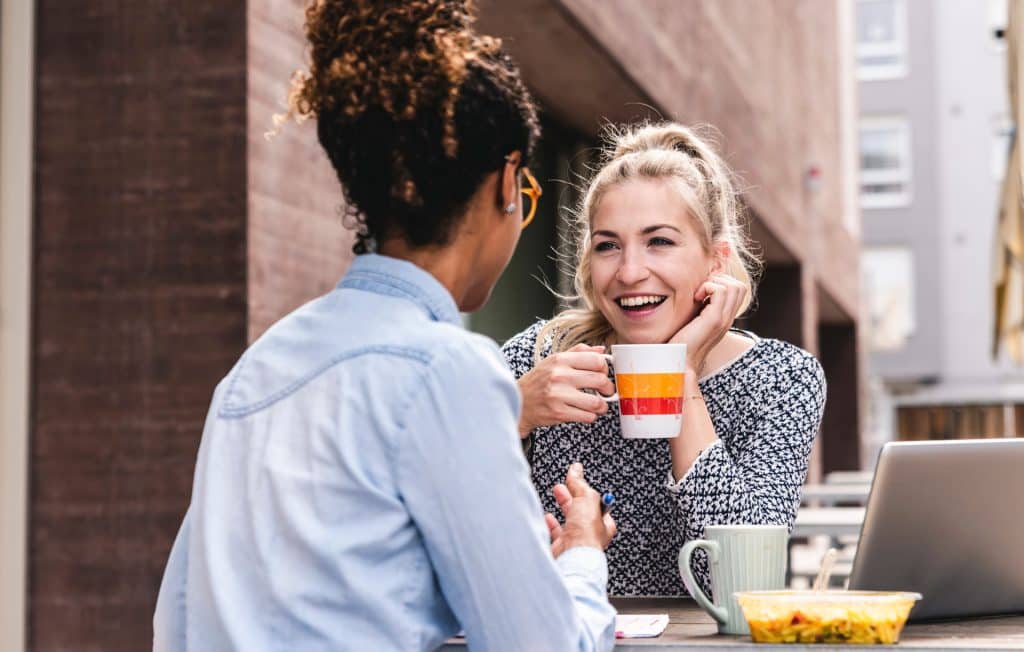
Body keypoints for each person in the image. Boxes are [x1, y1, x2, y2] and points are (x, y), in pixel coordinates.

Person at [152, 2, 618, 650]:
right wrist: (582, 559)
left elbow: (178, 621)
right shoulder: (447, 371)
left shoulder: (254, 371)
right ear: (507, 183)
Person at [502, 122, 827, 597]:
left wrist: (683, 376)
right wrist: (514, 412)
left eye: (660, 242)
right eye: (608, 246)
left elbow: (743, 581)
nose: (630, 272)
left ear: (716, 260)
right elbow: (440, 511)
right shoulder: (540, 361)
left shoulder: (781, 377)